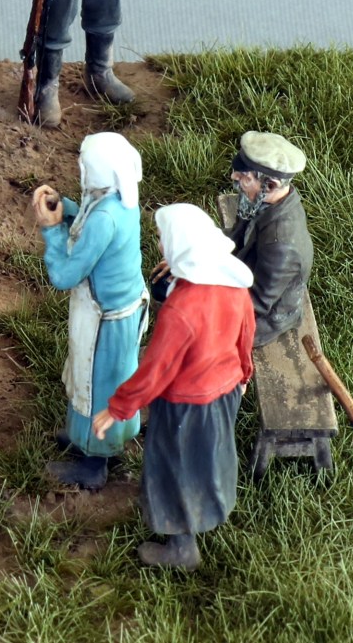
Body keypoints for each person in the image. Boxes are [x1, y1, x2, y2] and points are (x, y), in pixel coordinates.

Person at [92, 203, 255, 571]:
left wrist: (119, 407)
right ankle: (211, 505)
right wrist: (244, 374)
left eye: (163, 240)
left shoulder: (181, 309)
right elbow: (246, 336)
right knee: (209, 456)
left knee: (174, 466)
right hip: (225, 391)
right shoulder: (233, 285)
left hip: (185, 404)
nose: (160, 245)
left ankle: (182, 547)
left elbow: (156, 370)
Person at [31, 132, 147, 490]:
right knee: (94, 380)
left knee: (97, 386)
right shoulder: (118, 197)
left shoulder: (105, 219)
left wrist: (52, 231)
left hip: (105, 321)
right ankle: (83, 434)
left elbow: (65, 276)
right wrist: (67, 208)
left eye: (85, 163)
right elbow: (89, 214)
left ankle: (95, 462)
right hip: (116, 308)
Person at [226, 131, 312, 347]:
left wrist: (205, 294)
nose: (234, 177)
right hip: (248, 270)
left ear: (271, 185)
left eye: (245, 177)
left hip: (263, 316)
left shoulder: (281, 245)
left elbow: (257, 303)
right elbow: (236, 238)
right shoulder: (259, 200)